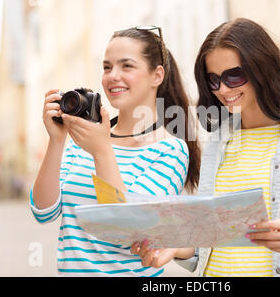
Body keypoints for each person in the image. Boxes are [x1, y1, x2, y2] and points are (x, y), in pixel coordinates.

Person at [133, 18, 280, 277]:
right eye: (213, 79)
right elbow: (208, 239)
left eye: (234, 76)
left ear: (261, 70)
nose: (222, 89)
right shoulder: (217, 142)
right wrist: (174, 248)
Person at [30, 26, 201, 277]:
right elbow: (43, 212)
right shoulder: (85, 140)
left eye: (127, 66)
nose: (113, 76)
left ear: (157, 75)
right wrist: (56, 141)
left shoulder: (169, 149)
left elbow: (129, 232)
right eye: (107, 67)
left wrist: (102, 152)